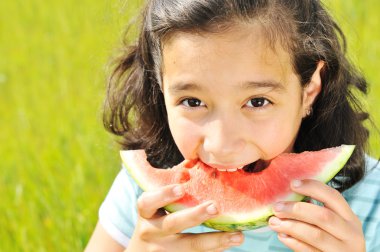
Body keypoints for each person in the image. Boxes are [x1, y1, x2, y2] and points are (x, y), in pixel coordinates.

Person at [85, 0, 380, 251]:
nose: (221, 145)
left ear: (309, 91)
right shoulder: (145, 200)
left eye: (257, 102)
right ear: (161, 88)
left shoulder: (372, 203)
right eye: (192, 101)